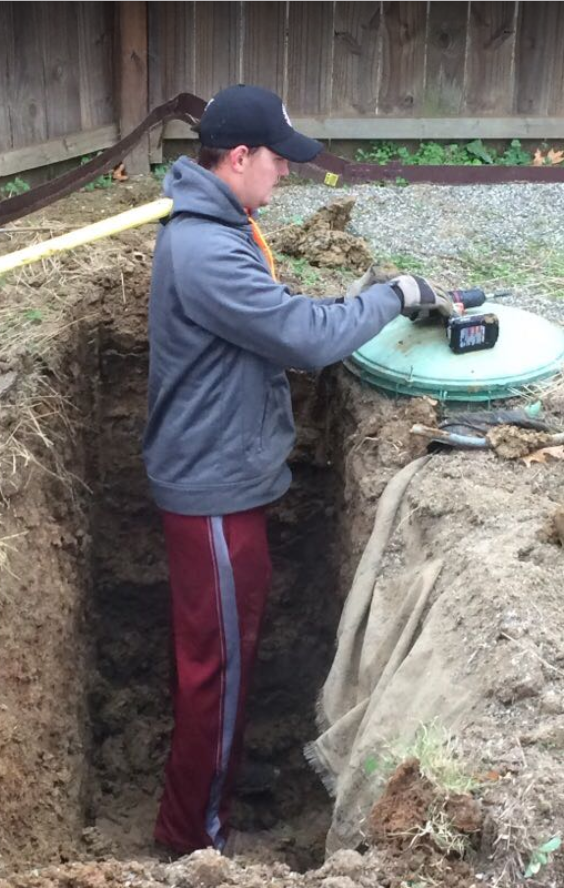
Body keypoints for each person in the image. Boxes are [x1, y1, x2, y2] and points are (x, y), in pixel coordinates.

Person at [143, 84, 452, 855]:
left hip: (221, 476)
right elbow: (302, 338)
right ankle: (192, 841)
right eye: (278, 160)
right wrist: (392, 296)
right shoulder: (206, 248)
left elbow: (276, 315)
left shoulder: (221, 225)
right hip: (211, 491)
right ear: (238, 157)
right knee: (214, 668)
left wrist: (352, 303)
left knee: (224, 655)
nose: (286, 173)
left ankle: (215, 780)